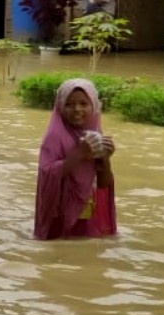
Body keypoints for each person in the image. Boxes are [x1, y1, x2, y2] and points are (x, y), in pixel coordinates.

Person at [34, 78, 117, 240]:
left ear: (93, 106)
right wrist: (78, 153)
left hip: (87, 212)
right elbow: (46, 176)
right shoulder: (54, 137)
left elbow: (103, 184)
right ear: (60, 107)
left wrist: (106, 160)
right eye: (69, 104)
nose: (77, 109)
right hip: (58, 214)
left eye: (83, 104)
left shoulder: (94, 135)